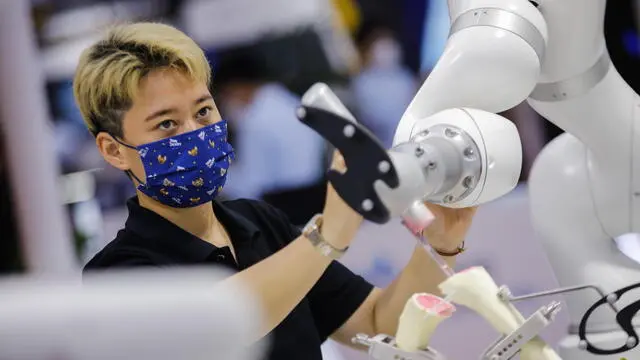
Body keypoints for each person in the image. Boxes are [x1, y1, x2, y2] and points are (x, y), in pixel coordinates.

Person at [75, 22, 477, 359]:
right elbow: (225, 321)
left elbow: (379, 323)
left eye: (203, 111)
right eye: (166, 124)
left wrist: (442, 243)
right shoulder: (117, 275)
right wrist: (328, 234)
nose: (196, 134)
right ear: (114, 150)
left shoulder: (259, 223)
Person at [213, 49, 327, 225]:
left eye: (227, 95)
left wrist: (214, 173)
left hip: (286, 212)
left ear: (237, 87)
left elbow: (251, 189)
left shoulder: (254, 120)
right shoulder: (291, 102)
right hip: (317, 203)